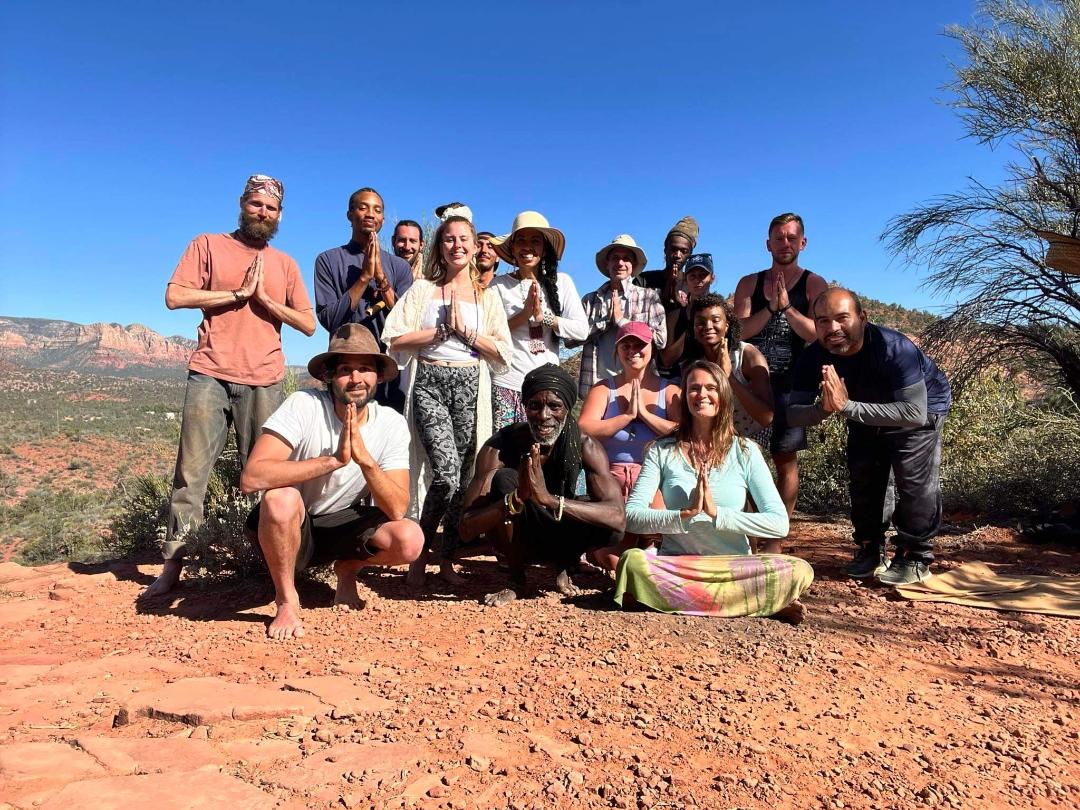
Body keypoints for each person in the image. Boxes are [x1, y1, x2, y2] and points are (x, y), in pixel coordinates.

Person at [147, 174, 316, 597]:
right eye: (256, 204)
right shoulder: (207, 245)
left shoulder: (285, 264)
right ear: (242, 204)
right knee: (190, 474)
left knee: (267, 476)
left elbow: (308, 324)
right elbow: (175, 296)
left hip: (265, 379)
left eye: (271, 208)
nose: (263, 212)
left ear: (279, 215)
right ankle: (173, 565)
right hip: (210, 372)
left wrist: (265, 301)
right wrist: (236, 294)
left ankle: (275, 570)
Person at [239, 324, 424, 639]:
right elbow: (252, 477)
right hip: (291, 524)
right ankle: (286, 600)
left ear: (378, 376)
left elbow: (396, 509)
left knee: (409, 539)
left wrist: (365, 460)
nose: (356, 378)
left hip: (342, 524)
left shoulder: (391, 424)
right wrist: (333, 461)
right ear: (328, 376)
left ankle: (348, 568)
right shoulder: (304, 405)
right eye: (345, 369)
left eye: (365, 368)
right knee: (280, 499)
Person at [614, 360, 813, 622]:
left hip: (734, 568)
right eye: (694, 388)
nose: (702, 395)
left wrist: (718, 514)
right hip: (680, 566)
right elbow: (632, 516)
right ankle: (754, 603)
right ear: (685, 397)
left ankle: (673, 600)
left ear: (724, 396)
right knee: (632, 561)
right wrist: (683, 515)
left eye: (711, 388)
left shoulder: (746, 451)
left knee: (799, 569)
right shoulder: (661, 450)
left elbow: (779, 524)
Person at [787, 288, 951, 586]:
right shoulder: (814, 356)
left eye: (842, 318)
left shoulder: (894, 348)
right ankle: (870, 548)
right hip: (864, 411)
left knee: (914, 480)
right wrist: (824, 408)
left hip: (921, 409)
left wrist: (847, 407)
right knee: (864, 476)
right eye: (823, 321)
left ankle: (915, 554)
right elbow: (793, 414)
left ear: (862, 318)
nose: (832, 328)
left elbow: (914, 413)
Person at [382, 215, 512, 590]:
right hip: (430, 382)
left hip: (470, 384)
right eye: (449, 239)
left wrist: (466, 333)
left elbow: (502, 350)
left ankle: (447, 558)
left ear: (474, 246)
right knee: (446, 473)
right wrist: (437, 332)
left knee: (464, 479)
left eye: (464, 239)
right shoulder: (423, 290)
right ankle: (419, 555)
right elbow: (394, 338)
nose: (457, 245)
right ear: (439, 247)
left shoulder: (487, 296)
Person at [459, 365, 625, 606]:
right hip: (519, 533)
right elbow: (466, 528)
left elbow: (618, 518)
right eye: (535, 406)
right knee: (506, 479)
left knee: (607, 524)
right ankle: (516, 579)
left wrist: (548, 499)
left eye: (554, 406)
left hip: (560, 531)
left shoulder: (584, 445)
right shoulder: (501, 446)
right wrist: (516, 498)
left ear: (567, 409)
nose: (544, 415)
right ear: (525, 408)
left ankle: (564, 564)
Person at [732, 213, 828, 519]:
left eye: (791, 238)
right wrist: (770, 308)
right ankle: (749, 531)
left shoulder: (814, 284)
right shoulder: (749, 283)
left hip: (792, 385)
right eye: (779, 238)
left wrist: (786, 308)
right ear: (768, 244)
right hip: (750, 384)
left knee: (785, 459)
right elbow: (738, 332)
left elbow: (817, 334)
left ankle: (778, 532)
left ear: (803, 243)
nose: (785, 243)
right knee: (744, 457)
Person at [578, 322, 680, 569]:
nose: (633, 351)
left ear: (652, 349)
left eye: (639, 345)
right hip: (611, 478)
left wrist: (645, 415)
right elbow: (584, 427)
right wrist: (625, 417)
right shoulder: (604, 389)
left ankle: (648, 549)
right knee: (613, 558)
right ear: (617, 351)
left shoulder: (669, 390)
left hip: (655, 479)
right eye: (626, 346)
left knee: (659, 539)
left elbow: (683, 431)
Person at [313, 187, 414, 411]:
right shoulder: (328, 260)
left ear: (383, 219)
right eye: (363, 207)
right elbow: (330, 319)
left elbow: (407, 321)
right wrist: (364, 277)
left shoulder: (400, 267)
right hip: (346, 369)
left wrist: (381, 278)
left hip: (390, 368)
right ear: (350, 214)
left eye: (377, 210)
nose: (370, 214)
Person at [488, 212, 590, 429]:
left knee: (544, 447)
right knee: (506, 446)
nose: (527, 247)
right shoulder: (498, 286)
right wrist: (524, 315)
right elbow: (490, 333)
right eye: (521, 241)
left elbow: (581, 330)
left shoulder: (562, 282)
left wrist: (546, 318)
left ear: (544, 248)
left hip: (547, 387)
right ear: (512, 247)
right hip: (507, 383)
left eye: (535, 241)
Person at [571, 235, 667, 399]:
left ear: (633, 265)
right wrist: (605, 323)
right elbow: (570, 339)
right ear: (607, 263)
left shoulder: (649, 297)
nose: (620, 263)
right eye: (615, 258)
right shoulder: (590, 300)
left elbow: (661, 340)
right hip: (597, 386)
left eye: (626, 258)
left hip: (639, 387)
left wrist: (622, 322)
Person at [657, 253, 715, 379]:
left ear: (712, 278)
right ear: (685, 280)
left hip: (711, 376)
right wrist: (692, 326)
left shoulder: (721, 313)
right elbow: (666, 360)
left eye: (702, 275)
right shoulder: (675, 316)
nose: (697, 280)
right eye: (692, 276)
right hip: (679, 379)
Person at [636, 216, 698, 313]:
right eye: (673, 249)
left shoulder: (693, 285)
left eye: (684, 251)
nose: (678, 255)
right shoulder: (643, 280)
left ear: (690, 254)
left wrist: (676, 297)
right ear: (665, 250)